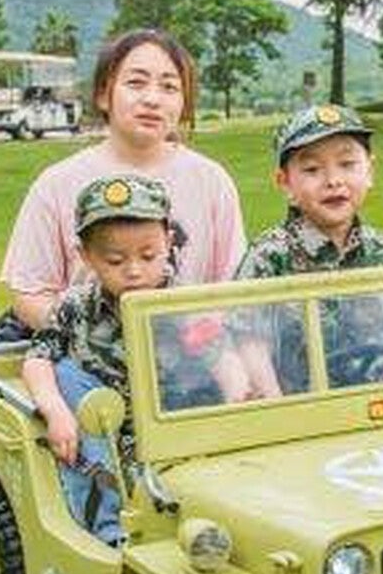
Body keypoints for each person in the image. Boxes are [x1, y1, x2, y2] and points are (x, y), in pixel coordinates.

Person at [22, 175, 248, 545]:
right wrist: (55, 411)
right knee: (65, 373)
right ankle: (109, 532)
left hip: (173, 424)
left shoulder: (181, 306)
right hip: (104, 431)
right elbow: (37, 357)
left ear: (168, 243)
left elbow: (224, 361)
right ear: (87, 256)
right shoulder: (76, 307)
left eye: (148, 255)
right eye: (115, 259)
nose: (134, 270)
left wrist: (238, 397)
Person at [0, 29, 246, 332]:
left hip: (189, 367)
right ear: (104, 94)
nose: (152, 99)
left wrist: (191, 342)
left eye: (169, 87)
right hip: (89, 369)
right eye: (136, 83)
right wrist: (92, 343)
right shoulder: (56, 184)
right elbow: (30, 293)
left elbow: (235, 290)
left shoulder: (211, 182)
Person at [234, 103, 383, 392]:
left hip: (374, 405)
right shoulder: (269, 257)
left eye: (347, 164)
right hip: (298, 414)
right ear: (285, 184)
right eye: (312, 169)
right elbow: (248, 340)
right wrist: (274, 405)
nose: (333, 181)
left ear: (370, 171)